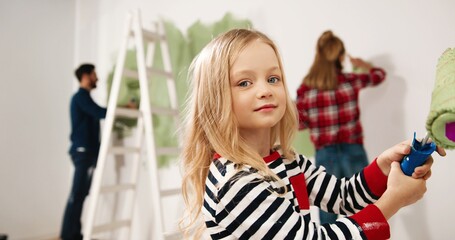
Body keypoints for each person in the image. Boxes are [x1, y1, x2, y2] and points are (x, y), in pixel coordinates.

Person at [179, 28, 445, 239]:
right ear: (214, 100)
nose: (265, 90)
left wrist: (387, 165)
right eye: (244, 82)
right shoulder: (236, 183)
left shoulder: (286, 160)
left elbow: (344, 197)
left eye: (273, 79)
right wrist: (393, 201)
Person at [295, 30, 387, 224]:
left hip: (325, 155)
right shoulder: (350, 81)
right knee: (365, 210)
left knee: (328, 215)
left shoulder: (306, 89)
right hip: (353, 150)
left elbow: (299, 124)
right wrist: (365, 65)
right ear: (340, 55)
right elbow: (379, 75)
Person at [60, 63, 106, 240]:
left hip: (86, 152)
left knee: (80, 194)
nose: (97, 78)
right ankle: (68, 235)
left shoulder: (84, 97)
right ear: (86, 76)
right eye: (94, 74)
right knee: (77, 193)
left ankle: (73, 234)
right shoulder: (80, 97)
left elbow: (98, 112)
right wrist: (122, 109)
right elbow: (100, 112)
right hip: (83, 152)